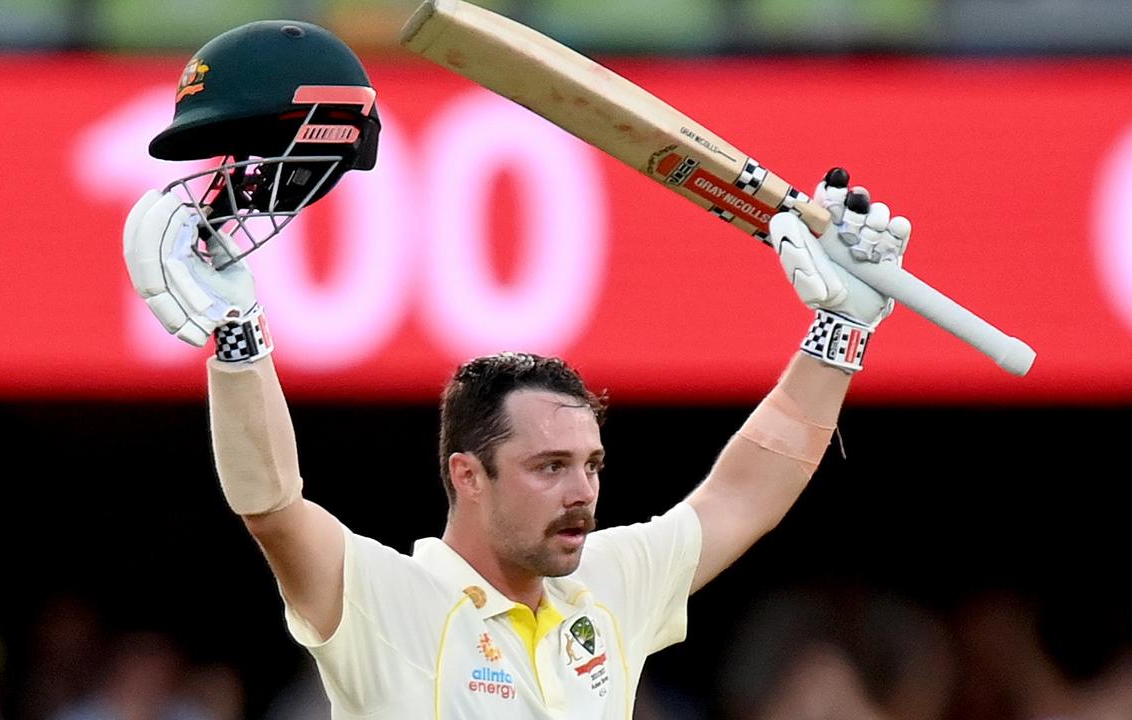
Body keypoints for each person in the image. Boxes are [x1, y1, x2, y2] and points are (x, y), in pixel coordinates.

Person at [122, 18, 912, 720]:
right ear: (468, 474)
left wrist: (837, 332)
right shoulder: (384, 602)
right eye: (549, 466)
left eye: (591, 464)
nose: (583, 492)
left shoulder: (606, 589)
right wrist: (237, 336)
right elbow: (271, 505)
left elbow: (744, 493)